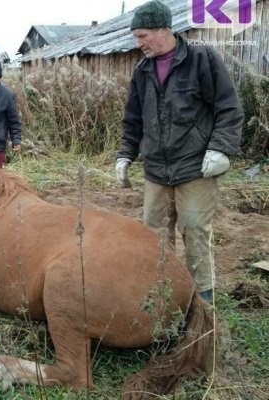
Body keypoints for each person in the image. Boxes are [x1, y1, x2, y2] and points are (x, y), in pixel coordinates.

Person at [115, 0, 243, 302]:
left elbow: (228, 107)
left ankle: (203, 301)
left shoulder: (202, 59)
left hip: (195, 166)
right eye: (136, 36)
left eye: (143, 35)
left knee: (195, 229)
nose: (139, 42)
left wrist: (220, 149)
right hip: (156, 169)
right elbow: (133, 118)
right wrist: (125, 154)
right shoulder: (142, 71)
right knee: (153, 234)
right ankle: (165, 294)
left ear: (164, 30)